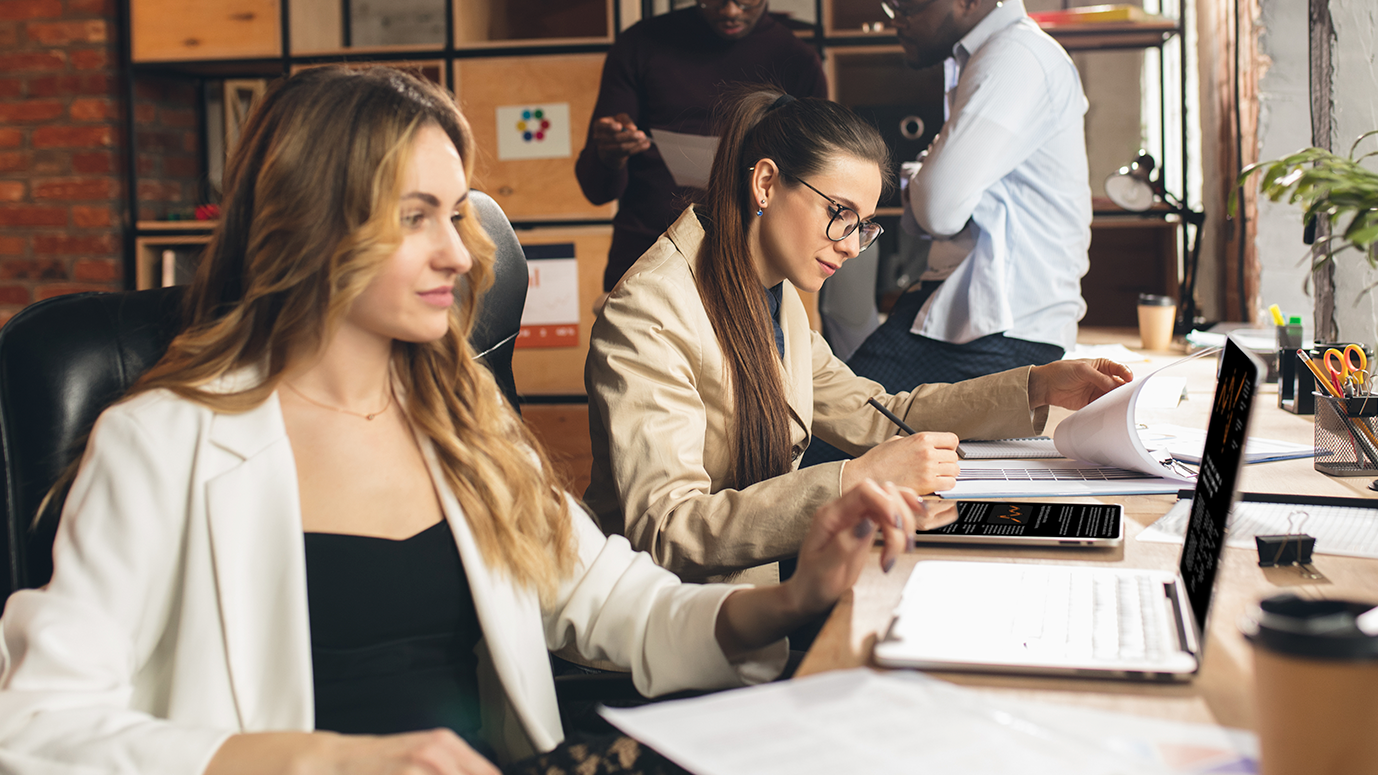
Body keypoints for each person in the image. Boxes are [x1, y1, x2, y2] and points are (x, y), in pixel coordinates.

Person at [0, 67, 921, 775]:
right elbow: (37, 724)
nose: (460, 248)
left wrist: (794, 597)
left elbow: (617, 605)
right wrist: (328, 758)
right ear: (311, 226)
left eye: (455, 211)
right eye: (417, 217)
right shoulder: (160, 441)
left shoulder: (462, 414)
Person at [584, 87, 1131, 587]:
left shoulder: (771, 295)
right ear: (767, 184)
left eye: (863, 224)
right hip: (667, 628)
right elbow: (667, 528)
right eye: (839, 213)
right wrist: (854, 481)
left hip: (751, 608)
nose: (850, 244)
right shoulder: (652, 311)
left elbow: (879, 413)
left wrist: (1037, 386)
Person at [843, 0, 1093, 394]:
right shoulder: (989, 55)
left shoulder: (1014, 56)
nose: (897, 21)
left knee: (817, 437)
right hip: (977, 316)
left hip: (995, 327)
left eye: (908, 6)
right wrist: (926, 175)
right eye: (891, 7)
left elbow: (937, 209)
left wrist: (922, 174)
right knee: (829, 418)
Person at [575, 0, 827, 291]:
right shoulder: (641, 44)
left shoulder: (797, 60)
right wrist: (610, 154)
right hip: (646, 257)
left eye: (747, 1)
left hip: (750, 268)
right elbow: (596, 190)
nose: (731, 11)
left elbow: (815, 181)